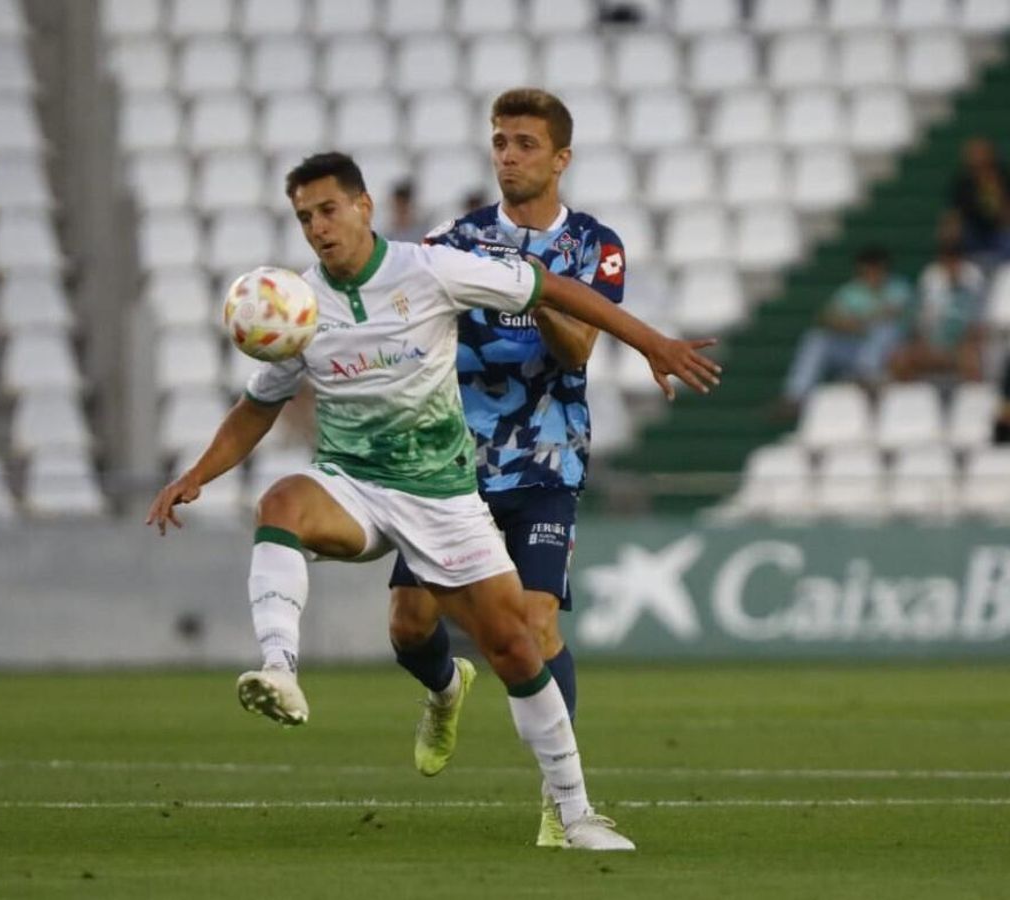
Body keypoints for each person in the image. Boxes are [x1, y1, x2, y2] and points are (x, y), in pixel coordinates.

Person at [145, 152, 721, 851]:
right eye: (304, 218)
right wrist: (196, 474)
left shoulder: (431, 270)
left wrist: (652, 343)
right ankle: (280, 668)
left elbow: (553, 288)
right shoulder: (298, 308)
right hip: (354, 487)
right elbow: (256, 408)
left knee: (514, 646)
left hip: (442, 495)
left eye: (328, 210)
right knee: (282, 502)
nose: (318, 228)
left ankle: (574, 815)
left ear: (363, 207)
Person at [381, 88, 624, 848]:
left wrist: (527, 284)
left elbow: (577, 351)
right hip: (452, 466)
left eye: (525, 143)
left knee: (536, 622)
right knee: (409, 625)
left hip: (548, 459)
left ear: (561, 158)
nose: (509, 156)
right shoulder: (452, 243)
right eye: (500, 142)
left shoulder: (594, 246)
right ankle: (444, 688)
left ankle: (562, 801)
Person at [780, 245, 910, 404]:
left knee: (884, 329)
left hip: (890, 354)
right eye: (866, 271)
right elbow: (826, 318)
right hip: (856, 348)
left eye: (875, 270)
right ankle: (795, 396)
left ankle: (868, 378)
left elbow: (893, 315)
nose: (871, 275)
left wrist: (857, 322)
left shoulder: (899, 287)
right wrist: (854, 324)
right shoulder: (851, 291)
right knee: (817, 339)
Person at [888, 240, 984, 383]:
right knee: (898, 359)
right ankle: (908, 396)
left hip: (958, 348)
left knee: (972, 359)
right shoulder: (928, 282)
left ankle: (971, 395)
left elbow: (975, 325)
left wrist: (957, 345)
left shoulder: (973, 286)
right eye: (947, 261)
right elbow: (913, 318)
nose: (951, 267)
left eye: (955, 262)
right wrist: (922, 342)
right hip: (929, 345)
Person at [949, 137, 1010, 262]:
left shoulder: (1005, 176)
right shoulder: (963, 182)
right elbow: (956, 213)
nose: (979, 159)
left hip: (1001, 227)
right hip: (974, 229)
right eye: (974, 155)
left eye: (982, 154)